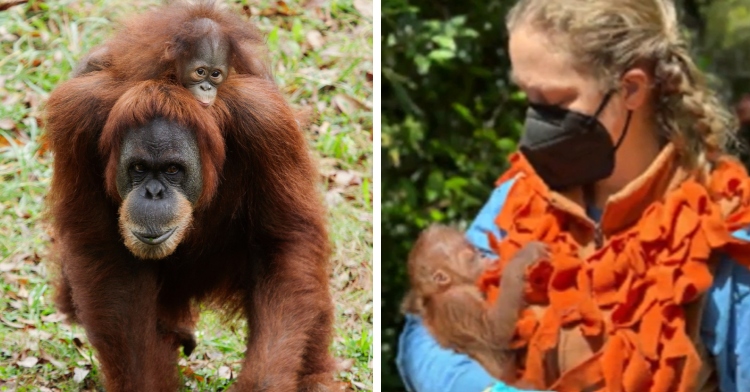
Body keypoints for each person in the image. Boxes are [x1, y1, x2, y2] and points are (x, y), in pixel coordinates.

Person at [396, 0, 750, 391]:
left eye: (555, 102)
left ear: (631, 88)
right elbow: (426, 330)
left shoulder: (724, 229)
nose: (536, 123)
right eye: (530, 99)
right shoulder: (522, 195)